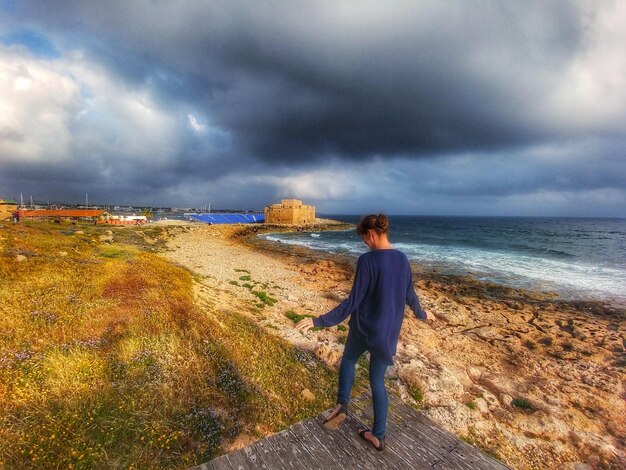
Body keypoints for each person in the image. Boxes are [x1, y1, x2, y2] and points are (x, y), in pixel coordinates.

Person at [296, 213, 431, 451]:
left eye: (363, 239)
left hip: (363, 329)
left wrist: (319, 321)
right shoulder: (402, 259)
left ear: (370, 234)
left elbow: (352, 302)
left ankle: (342, 405)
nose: (364, 244)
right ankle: (378, 435)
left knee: (348, 361)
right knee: (377, 382)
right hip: (386, 333)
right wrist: (422, 314)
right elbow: (410, 294)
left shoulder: (367, 261)